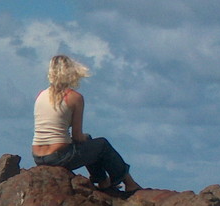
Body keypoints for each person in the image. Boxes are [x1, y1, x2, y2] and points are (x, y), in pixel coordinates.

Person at [32, 54, 141, 192]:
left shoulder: (40, 95)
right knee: (101, 144)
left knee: (89, 141)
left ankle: (103, 182)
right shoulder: (74, 97)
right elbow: (77, 136)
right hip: (59, 157)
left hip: (38, 156)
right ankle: (129, 184)